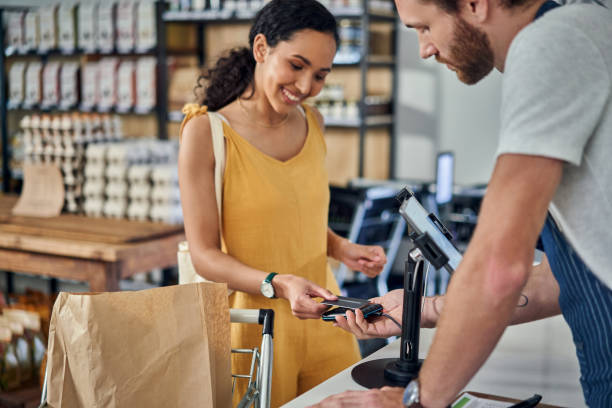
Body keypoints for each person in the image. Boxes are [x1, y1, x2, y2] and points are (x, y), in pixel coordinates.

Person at [310, 0, 612, 406]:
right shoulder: (586, 30)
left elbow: (498, 267)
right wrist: (428, 308)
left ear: (474, 4)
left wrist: (416, 401)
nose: (424, 49)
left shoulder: (553, 43)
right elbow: (569, 273)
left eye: (425, 27)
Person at [178, 1, 387, 406]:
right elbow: (204, 255)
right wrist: (278, 283)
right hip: (256, 330)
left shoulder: (314, 123)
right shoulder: (206, 132)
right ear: (261, 48)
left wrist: (340, 247)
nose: (307, 86)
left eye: (320, 75)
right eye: (296, 65)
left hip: (330, 318)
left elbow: (295, 216)